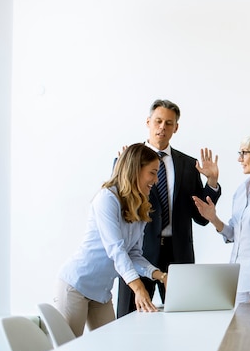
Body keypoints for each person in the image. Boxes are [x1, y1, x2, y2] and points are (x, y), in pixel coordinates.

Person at [116, 99, 221, 318]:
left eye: (169, 123)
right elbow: (120, 207)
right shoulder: (126, 161)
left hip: (178, 254)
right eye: (158, 121)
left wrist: (211, 183)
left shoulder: (188, 165)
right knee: (129, 317)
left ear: (176, 128)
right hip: (139, 251)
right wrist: (124, 167)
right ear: (148, 122)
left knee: (181, 320)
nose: (162, 127)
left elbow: (200, 218)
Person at [56, 144, 167, 337]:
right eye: (152, 173)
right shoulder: (107, 198)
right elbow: (116, 250)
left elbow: (133, 255)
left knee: (110, 348)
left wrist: (161, 276)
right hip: (76, 285)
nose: (156, 180)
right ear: (136, 170)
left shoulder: (141, 206)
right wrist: (138, 287)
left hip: (101, 292)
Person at [192, 133, 250, 305]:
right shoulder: (241, 191)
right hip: (238, 280)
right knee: (238, 331)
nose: (239, 159)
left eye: (243, 153)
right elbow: (234, 235)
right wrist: (213, 219)